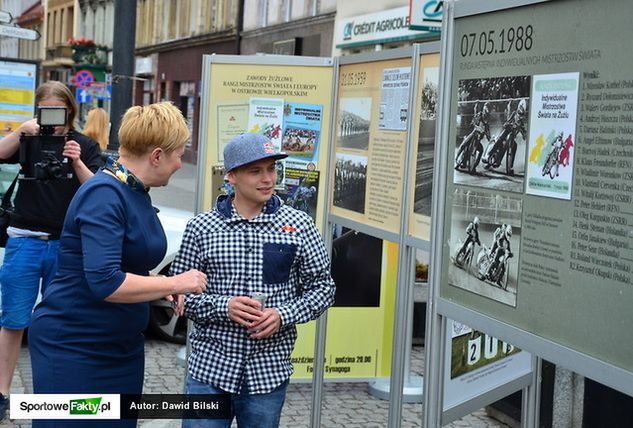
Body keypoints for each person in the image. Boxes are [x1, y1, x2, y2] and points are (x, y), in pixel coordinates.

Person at [27, 102, 208, 427]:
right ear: (156, 155)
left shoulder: (132, 190)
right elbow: (106, 281)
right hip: (76, 348)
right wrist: (175, 283)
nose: (181, 164)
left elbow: (127, 262)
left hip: (118, 347)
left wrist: (156, 290)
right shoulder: (104, 195)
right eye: (178, 154)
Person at [171, 132, 335, 428]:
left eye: (271, 169)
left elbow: (323, 289)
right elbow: (180, 296)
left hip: (267, 373)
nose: (267, 179)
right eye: (255, 171)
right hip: (210, 370)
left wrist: (282, 315)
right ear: (231, 176)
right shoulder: (202, 227)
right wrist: (226, 307)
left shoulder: (299, 225)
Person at [0, 81, 103, 420]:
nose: (53, 121)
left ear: (70, 111)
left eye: (58, 112)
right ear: (38, 111)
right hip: (25, 239)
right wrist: (21, 132)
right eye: (46, 111)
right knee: (13, 320)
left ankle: (60, 393)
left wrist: (76, 162)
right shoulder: (28, 139)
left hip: (66, 244)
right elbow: (1, 153)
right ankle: (2, 392)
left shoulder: (83, 145)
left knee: (64, 321)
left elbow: (99, 190)